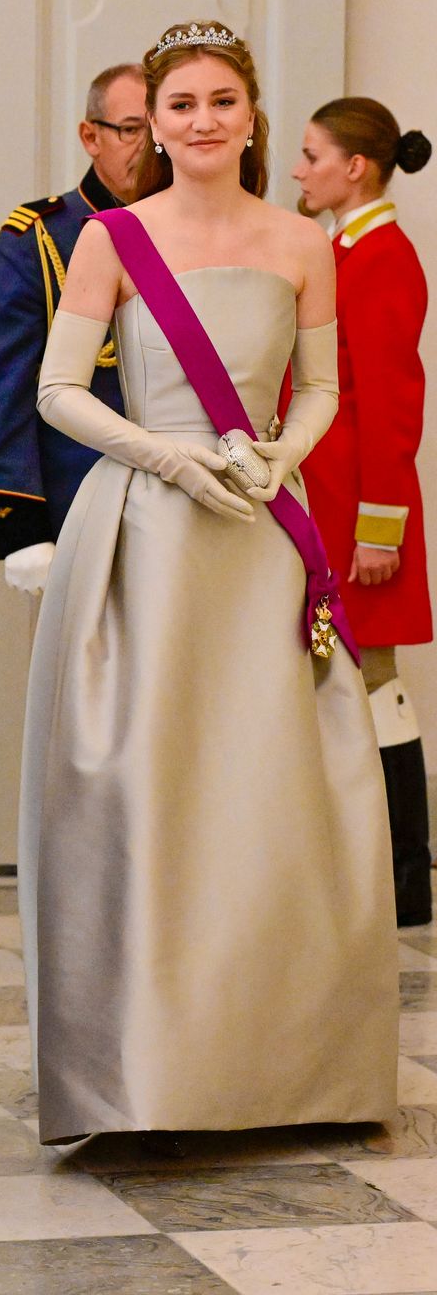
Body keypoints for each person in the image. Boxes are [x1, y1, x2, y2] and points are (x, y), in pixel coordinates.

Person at [19, 22, 398, 1145]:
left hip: (262, 534)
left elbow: (325, 387)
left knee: (271, 792)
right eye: (178, 104)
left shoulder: (300, 242)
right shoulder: (111, 240)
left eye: (220, 101)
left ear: (250, 112)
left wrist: (284, 453)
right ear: (153, 121)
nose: (199, 121)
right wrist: (164, 453)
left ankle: (292, 1069)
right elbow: (54, 391)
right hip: (151, 531)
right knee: (151, 785)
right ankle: (143, 1073)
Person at [293, 99, 433, 927]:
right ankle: (368, 868)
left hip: (359, 518)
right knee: (348, 681)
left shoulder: (382, 255)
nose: (300, 170)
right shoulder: (346, 246)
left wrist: (378, 529)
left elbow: (390, 404)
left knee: (374, 681)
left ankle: (406, 877)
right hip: (330, 503)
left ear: (356, 167)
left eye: (313, 156)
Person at [0, 63, 145, 595]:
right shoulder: (37, 238)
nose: (151, 145)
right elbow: (2, 394)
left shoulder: (205, 232)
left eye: (160, 128)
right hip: (82, 503)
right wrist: (20, 526)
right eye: (132, 128)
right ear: (91, 135)